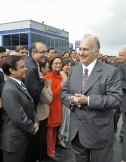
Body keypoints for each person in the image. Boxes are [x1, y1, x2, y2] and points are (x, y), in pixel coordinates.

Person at [60, 34, 122, 162]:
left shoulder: (110, 71)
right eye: (80, 49)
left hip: (99, 133)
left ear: (96, 51)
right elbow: (64, 92)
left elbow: (115, 99)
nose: (81, 53)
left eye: (85, 49)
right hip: (77, 133)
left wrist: (87, 100)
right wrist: (73, 101)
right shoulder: (74, 70)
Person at [0, 55, 39, 162]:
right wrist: (32, 128)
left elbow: (30, 104)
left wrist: (36, 121)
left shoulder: (19, 83)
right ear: (12, 70)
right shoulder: (10, 89)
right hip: (13, 142)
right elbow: (18, 117)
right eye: (22, 67)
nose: (26, 69)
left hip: (21, 138)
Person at [24, 42, 46, 162]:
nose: (45, 55)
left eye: (45, 52)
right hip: (32, 110)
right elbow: (34, 93)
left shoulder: (32, 63)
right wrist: (42, 79)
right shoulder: (32, 68)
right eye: (42, 52)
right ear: (33, 53)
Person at [44, 56, 63, 161]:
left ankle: (53, 150)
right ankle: (50, 152)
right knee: (50, 132)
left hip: (59, 106)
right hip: (51, 108)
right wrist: (60, 87)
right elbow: (50, 97)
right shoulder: (48, 77)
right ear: (51, 64)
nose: (58, 65)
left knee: (55, 131)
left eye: (60, 63)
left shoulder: (60, 76)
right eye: (56, 63)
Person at [35, 60, 53, 162]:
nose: (49, 69)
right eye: (47, 67)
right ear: (41, 69)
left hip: (44, 114)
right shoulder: (41, 81)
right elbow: (48, 99)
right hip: (40, 115)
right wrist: (49, 88)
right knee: (40, 140)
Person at [57, 59, 72, 149]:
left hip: (67, 101)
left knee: (66, 121)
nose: (69, 67)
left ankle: (61, 139)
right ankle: (60, 140)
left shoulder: (67, 74)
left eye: (70, 65)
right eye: (67, 65)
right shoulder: (61, 75)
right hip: (62, 102)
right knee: (63, 121)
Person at [118, 47, 126, 139]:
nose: (119, 57)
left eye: (122, 55)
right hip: (122, 96)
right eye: (119, 55)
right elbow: (121, 82)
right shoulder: (120, 66)